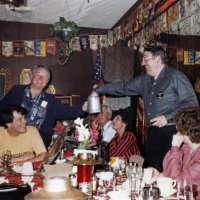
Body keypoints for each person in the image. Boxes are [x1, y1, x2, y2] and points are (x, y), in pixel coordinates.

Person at [91, 44, 199, 171]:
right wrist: (99, 90)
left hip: (173, 133)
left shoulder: (176, 77)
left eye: (146, 58)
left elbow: (192, 104)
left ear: (158, 59)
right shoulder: (145, 80)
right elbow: (124, 87)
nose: (142, 63)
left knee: (170, 173)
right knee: (154, 170)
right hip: (153, 134)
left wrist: (167, 117)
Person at [0, 65, 87, 147]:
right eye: (38, 75)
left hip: (36, 144)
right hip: (12, 140)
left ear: (47, 82)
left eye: (45, 77)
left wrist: (84, 107)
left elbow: (66, 112)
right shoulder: (17, 91)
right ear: (32, 76)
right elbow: (2, 109)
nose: (40, 79)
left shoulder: (50, 101)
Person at [163, 106, 200, 195]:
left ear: (186, 131)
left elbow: (176, 184)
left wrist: (175, 148)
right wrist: (160, 174)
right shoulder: (186, 148)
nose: (176, 131)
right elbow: (170, 170)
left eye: (178, 128)